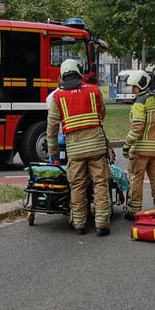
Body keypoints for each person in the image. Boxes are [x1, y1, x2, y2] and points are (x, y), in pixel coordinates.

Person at [46, 59, 111, 236]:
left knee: (77, 185)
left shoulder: (58, 97)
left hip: (75, 150)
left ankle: (80, 225)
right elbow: (102, 113)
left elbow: (51, 126)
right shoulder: (94, 91)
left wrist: (52, 151)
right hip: (96, 147)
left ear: (63, 75)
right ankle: (101, 224)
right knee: (100, 183)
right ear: (79, 72)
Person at [122, 70, 155, 220]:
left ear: (141, 86)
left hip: (140, 149)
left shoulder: (140, 102)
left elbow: (137, 126)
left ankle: (134, 211)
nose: (133, 90)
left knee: (136, 178)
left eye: (134, 87)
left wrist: (127, 144)